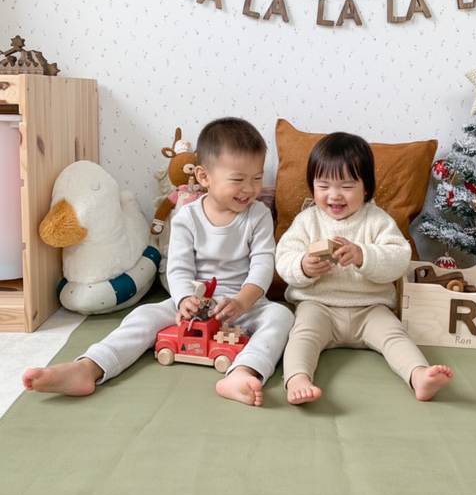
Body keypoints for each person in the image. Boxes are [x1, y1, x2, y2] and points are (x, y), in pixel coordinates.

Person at [23, 118, 294, 407]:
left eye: (257, 178)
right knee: (142, 317)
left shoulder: (258, 215)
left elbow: (263, 265)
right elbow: (178, 267)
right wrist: (183, 300)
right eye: (238, 179)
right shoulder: (187, 217)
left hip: (244, 304)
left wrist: (243, 301)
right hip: (195, 302)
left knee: (282, 318)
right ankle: (90, 366)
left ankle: (243, 372)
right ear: (204, 176)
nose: (250, 189)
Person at [276, 131, 453, 405]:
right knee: (302, 334)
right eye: (323, 186)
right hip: (318, 305)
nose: (334, 195)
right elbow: (284, 257)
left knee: (395, 335)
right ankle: (297, 378)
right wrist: (303, 266)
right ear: (312, 186)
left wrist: (363, 256)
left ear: (366, 188)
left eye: (346, 186)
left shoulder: (377, 220)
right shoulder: (306, 220)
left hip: (370, 308)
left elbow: (398, 258)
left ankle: (419, 376)